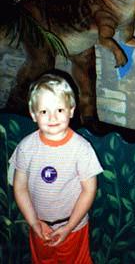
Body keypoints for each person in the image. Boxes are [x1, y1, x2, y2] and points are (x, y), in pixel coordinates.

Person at [8, 73, 103, 264]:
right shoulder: (26, 147)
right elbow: (19, 187)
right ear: (33, 114)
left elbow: (88, 190)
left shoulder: (81, 149)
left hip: (73, 227)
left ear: (71, 110)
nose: (52, 117)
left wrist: (69, 226)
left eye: (59, 109)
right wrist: (34, 222)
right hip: (39, 227)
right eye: (44, 111)